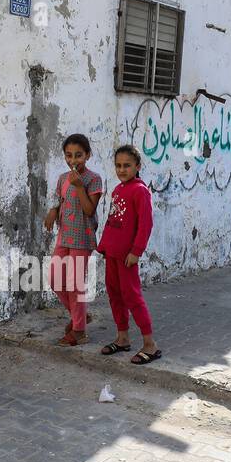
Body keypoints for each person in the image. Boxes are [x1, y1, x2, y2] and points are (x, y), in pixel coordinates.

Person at [96, 145, 159, 364]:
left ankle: (150, 344)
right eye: (118, 165)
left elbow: (145, 225)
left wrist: (136, 252)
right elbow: (112, 221)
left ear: (137, 166)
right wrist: (104, 245)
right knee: (114, 294)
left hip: (127, 257)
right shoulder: (117, 190)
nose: (122, 170)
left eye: (127, 165)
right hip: (112, 254)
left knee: (132, 296)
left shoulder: (140, 190)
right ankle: (122, 338)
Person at [44, 133, 102, 346]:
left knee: (75, 284)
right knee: (54, 279)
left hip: (82, 238)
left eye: (78, 155)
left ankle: (79, 331)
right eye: (69, 155)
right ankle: (80, 317)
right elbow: (61, 201)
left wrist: (79, 186)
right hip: (64, 236)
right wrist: (53, 210)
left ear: (87, 155)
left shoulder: (93, 179)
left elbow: (89, 210)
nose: (73, 160)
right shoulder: (62, 179)